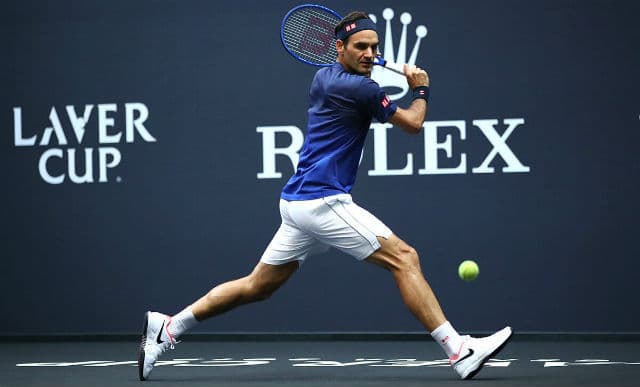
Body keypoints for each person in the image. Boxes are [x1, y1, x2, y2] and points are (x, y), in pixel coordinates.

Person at [137, 11, 512, 381]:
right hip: (322, 201)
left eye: (374, 47)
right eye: (360, 46)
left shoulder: (324, 76)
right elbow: (414, 124)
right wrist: (421, 88)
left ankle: (167, 328)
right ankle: (458, 350)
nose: (369, 53)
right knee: (404, 257)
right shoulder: (361, 89)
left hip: (297, 203)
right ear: (340, 48)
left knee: (257, 286)